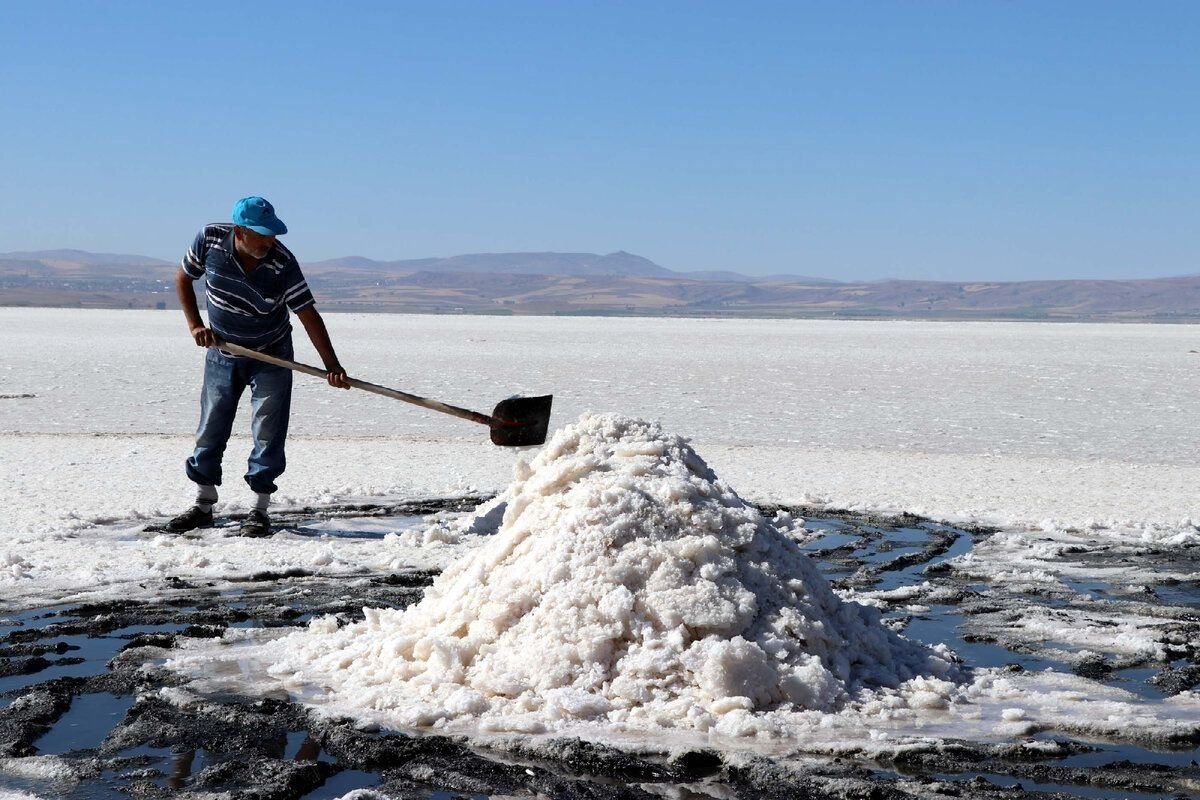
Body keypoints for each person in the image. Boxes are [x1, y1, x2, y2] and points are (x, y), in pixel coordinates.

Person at [167, 196, 349, 537]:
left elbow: (307, 314)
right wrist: (195, 325)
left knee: (268, 429)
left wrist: (332, 366)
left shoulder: (282, 262)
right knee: (211, 425)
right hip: (224, 351)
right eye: (262, 235)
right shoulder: (209, 240)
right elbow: (182, 278)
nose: (270, 241)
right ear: (240, 231)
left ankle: (259, 509)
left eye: (272, 234)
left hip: (272, 354)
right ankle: (203, 504)